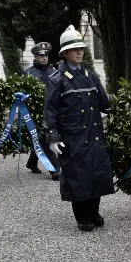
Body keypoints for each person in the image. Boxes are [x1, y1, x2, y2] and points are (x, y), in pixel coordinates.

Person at [44, 25, 114, 231]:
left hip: (94, 135)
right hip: (73, 138)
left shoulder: (91, 76)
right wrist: (53, 137)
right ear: (65, 53)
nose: (79, 52)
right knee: (78, 177)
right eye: (75, 49)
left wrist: (123, 101)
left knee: (97, 174)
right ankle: (83, 217)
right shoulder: (57, 81)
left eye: (81, 48)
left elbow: (104, 102)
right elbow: (50, 111)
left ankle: (94, 211)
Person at [22, 41, 61, 180]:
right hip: (35, 113)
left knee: (41, 139)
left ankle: (32, 162)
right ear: (35, 57)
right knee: (44, 140)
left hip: (51, 112)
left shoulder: (54, 72)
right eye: (41, 55)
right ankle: (55, 170)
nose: (44, 58)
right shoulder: (28, 74)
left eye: (46, 55)